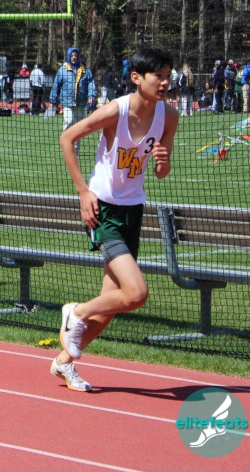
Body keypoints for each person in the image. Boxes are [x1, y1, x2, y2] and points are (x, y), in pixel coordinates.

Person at [51, 48, 178, 392]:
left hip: (133, 210)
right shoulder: (114, 111)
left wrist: (163, 161)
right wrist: (83, 192)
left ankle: (64, 362)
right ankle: (75, 311)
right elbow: (67, 138)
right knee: (136, 293)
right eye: (158, 76)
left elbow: (161, 173)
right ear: (137, 78)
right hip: (103, 210)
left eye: (168, 76)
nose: (165, 82)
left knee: (111, 306)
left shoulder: (169, 115)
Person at [49, 46, 96, 153]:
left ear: (78, 57)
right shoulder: (62, 70)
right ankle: (66, 143)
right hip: (67, 102)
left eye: (75, 55)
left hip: (81, 103)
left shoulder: (85, 70)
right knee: (69, 121)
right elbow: (56, 85)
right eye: (72, 55)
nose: (74, 57)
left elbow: (91, 83)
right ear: (68, 57)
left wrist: (92, 96)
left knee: (79, 128)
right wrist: (53, 99)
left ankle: (75, 151)